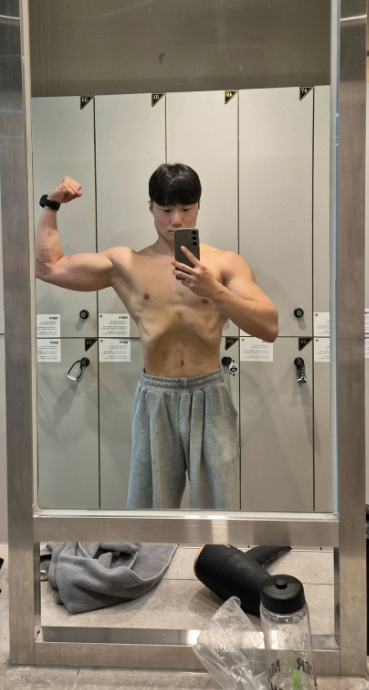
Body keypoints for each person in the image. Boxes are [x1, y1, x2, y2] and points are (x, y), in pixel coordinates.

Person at [35, 163, 278, 509]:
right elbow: (48, 267)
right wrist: (51, 204)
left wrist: (214, 290)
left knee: (217, 512)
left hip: (210, 393)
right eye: (166, 210)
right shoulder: (127, 264)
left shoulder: (225, 264)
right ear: (150, 207)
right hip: (156, 396)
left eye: (186, 209)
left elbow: (269, 327)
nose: (176, 220)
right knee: (149, 514)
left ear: (199, 206)